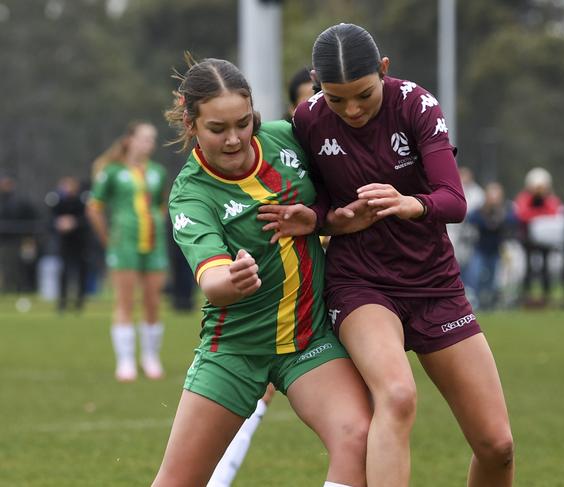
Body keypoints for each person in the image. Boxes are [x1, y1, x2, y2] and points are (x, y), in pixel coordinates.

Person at [258, 23, 514, 487]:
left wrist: (408, 203)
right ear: (317, 83)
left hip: (435, 286)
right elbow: (319, 205)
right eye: (336, 98)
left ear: (384, 69)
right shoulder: (308, 119)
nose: (351, 109)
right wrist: (319, 219)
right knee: (396, 395)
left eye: (363, 95)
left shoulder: (416, 104)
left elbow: (453, 200)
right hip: (361, 283)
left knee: (497, 448)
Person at [153, 55, 370, 487]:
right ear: (190, 121)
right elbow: (211, 279)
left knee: (358, 437)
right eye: (217, 129)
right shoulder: (190, 194)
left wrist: (323, 217)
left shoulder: (288, 139)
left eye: (243, 122)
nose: (234, 139)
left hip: (308, 341)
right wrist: (230, 281)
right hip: (234, 348)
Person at [205, 63, 319, 487]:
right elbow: (212, 275)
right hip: (269, 314)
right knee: (259, 394)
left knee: (366, 422)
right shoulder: (285, 142)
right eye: (312, 98)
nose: (323, 107)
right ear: (294, 109)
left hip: (335, 301)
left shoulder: (338, 149)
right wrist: (229, 279)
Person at [86, 121, 168, 382]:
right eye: (144, 138)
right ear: (129, 140)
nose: (149, 144)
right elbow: (94, 207)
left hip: (154, 243)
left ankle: (151, 357)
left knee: (153, 301)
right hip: (124, 243)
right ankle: (125, 361)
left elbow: (161, 205)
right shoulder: (111, 171)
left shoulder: (157, 172)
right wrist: (108, 238)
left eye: (152, 139)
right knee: (125, 301)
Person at [514, 167, 564, 307]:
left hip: (545, 241)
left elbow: (554, 213)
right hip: (527, 240)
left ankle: (546, 297)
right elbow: (522, 214)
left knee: (546, 270)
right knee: (528, 269)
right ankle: (526, 297)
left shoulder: (551, 199)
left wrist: (535, 214)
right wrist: (541, 214)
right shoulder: (524, 198)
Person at [464, 182, 518, 310]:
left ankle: (489, 302)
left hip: (497, 250)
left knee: (494, 279)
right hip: (480, 248)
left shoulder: (506, 210)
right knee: (475, 275)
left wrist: (500, 216)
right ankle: (475, 300)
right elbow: (471, 219)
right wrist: (486, 219)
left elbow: (513, 220)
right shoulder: (480, 210)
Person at [47, 176, 90, 312]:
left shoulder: (82, 201)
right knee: (63, 272)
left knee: (81, 271)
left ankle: (79, 302)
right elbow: (49, 219)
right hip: (64, 242)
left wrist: (74, 222)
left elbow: (87, 220)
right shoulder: (57, 201)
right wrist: (59, 224)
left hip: (81, 242)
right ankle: (62, 302)